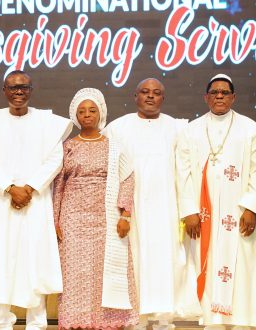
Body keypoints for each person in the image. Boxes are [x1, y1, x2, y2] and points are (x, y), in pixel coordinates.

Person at [0, 70, 72, 329]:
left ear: (31, 90)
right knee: (0, 259)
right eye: (13, 87)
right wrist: (9, 188)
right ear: (4, 90)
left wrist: (29, 187)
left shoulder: (47, 122)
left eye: (24, 87)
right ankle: (3, 321)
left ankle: (36, 322)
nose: (19, 92)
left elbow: (54, 159)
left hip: (36, 202)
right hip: (1, 201)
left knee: (34, 258)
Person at [103, 78, 191, 329]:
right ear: (135, 96)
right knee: (134, 259)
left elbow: (185, 170)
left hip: (166, 207)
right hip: (130, 210)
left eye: (156, 93)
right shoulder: (117, 128)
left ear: (163, 98)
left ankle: (165, 319)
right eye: (145, 92)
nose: (150, 97)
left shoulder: (176, 128)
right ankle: (136, 319)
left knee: (167, 259)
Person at [176, 74, 256, 329]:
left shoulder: (249, 128)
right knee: (209, 260)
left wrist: (250, 206)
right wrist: (189, 211)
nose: (220, 96)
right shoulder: (191, 129)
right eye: (215, 93)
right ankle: (211, 319)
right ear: (206, 97)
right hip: (205, 212)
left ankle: (241, 320)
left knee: (240, 262)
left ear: (233, 97)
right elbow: (183, 172)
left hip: (237, 212)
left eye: (225, 92)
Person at [53, 88, 138, 329]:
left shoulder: (115, 146)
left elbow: (127, 179)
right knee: (75, 272)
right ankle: (75, 320)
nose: (87, 115)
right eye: (81, 111)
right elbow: (59, 184)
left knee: (104, 272)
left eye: (92, 110)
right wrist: (55, 220)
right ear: (74, 115)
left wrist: (126, 215)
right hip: (73, 218)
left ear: (101, 112)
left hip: (106, 216)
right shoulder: (67, 146)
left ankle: (106, 321)